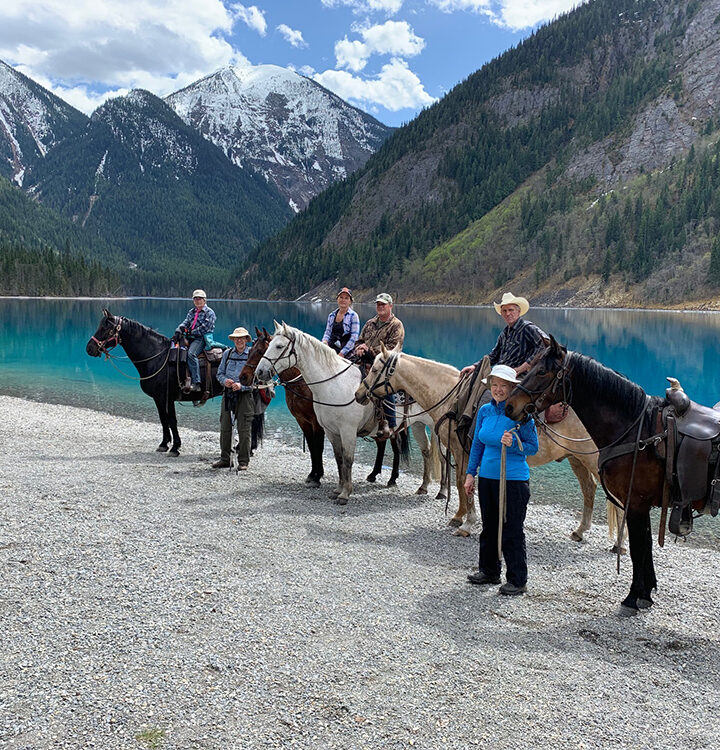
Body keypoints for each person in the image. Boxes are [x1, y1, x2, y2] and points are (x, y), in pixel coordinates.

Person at [463, 364, 538, 596]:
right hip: (487, 477)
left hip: (513, 480)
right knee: (489, 526)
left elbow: (533, 448)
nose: (497, 389)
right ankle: (489, 571)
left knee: (512, 528)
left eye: (503, 386)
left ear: (511, 388)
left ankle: (517, 579)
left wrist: (515, 443)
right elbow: (477, 444)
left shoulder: (522, 414)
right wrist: (470, 473)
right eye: (494, 385)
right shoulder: (485, 410)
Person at [459, 292, 547, 380]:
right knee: (472, 383)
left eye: (511, 310)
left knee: (487, 392)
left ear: (518, 312)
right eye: (504, 311)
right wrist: (475, 366)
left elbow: (544, 347)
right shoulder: (504, 334)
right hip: (501, 373)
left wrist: (521, 368)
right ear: (501, 313)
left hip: (520, 378)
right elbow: (494, 356)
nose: (508, 313)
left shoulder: (528, 328)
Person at [352, 292, 405, 439]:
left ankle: (389, 422)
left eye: (383, 304)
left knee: (385, 388)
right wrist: (359, 348)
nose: (380, 307)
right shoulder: (370, 323)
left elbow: (392, 348)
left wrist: (370, 350)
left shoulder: (396, 325)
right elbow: (360, 340)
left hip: (387, 365)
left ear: (390, 306)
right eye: (378, 304)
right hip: (366, 361)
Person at [212, 327, 254, 470]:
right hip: (228, 394)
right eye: (237, 338)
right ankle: (225, 459)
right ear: (233, 340)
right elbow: (219, 374)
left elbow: (256, 382)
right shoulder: (227, 354)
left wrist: (241, 386)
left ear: (246, 339)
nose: (239, 340)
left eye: (242, 338)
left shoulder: (251, 355)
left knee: (244, 429)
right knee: (225, 427)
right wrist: (225, 381)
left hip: (244, 396)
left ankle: (243, 461)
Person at [174, 290, 217, 393]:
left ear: (204, 300)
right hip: (191, 336)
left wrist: (190, 332)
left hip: (202, 338)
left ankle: (197, 383)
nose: (198, 301)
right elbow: (186, 321)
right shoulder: (192, 311)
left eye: (200, 299)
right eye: (196, 299)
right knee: (176, 350)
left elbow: (204, 328)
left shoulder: (209, 313)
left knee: (191, 354)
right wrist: (179, 329)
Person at [322, 287, 360, 357]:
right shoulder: (331, 315)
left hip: (347, 351)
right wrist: (324, 342)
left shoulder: (354, 316)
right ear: (337, 299)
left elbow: (354, 338)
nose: (343, 300)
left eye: (346, 298)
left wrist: (342, 353)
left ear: (350, 301)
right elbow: (327, 333)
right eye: (341, 297)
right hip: (331, 349)